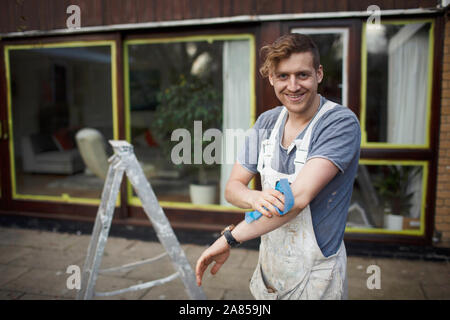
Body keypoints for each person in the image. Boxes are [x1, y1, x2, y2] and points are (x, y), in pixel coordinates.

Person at [195, 33, 361, 300]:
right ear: (271, 78)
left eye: (302, 75)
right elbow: (232, 188)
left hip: (317, 277)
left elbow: (296, 200)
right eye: (283, 76)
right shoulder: (266, 123)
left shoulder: (339, 123)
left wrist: (229, 238)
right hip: (270, 272)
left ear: (319, 74)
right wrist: (253, 196)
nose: (293, 86)